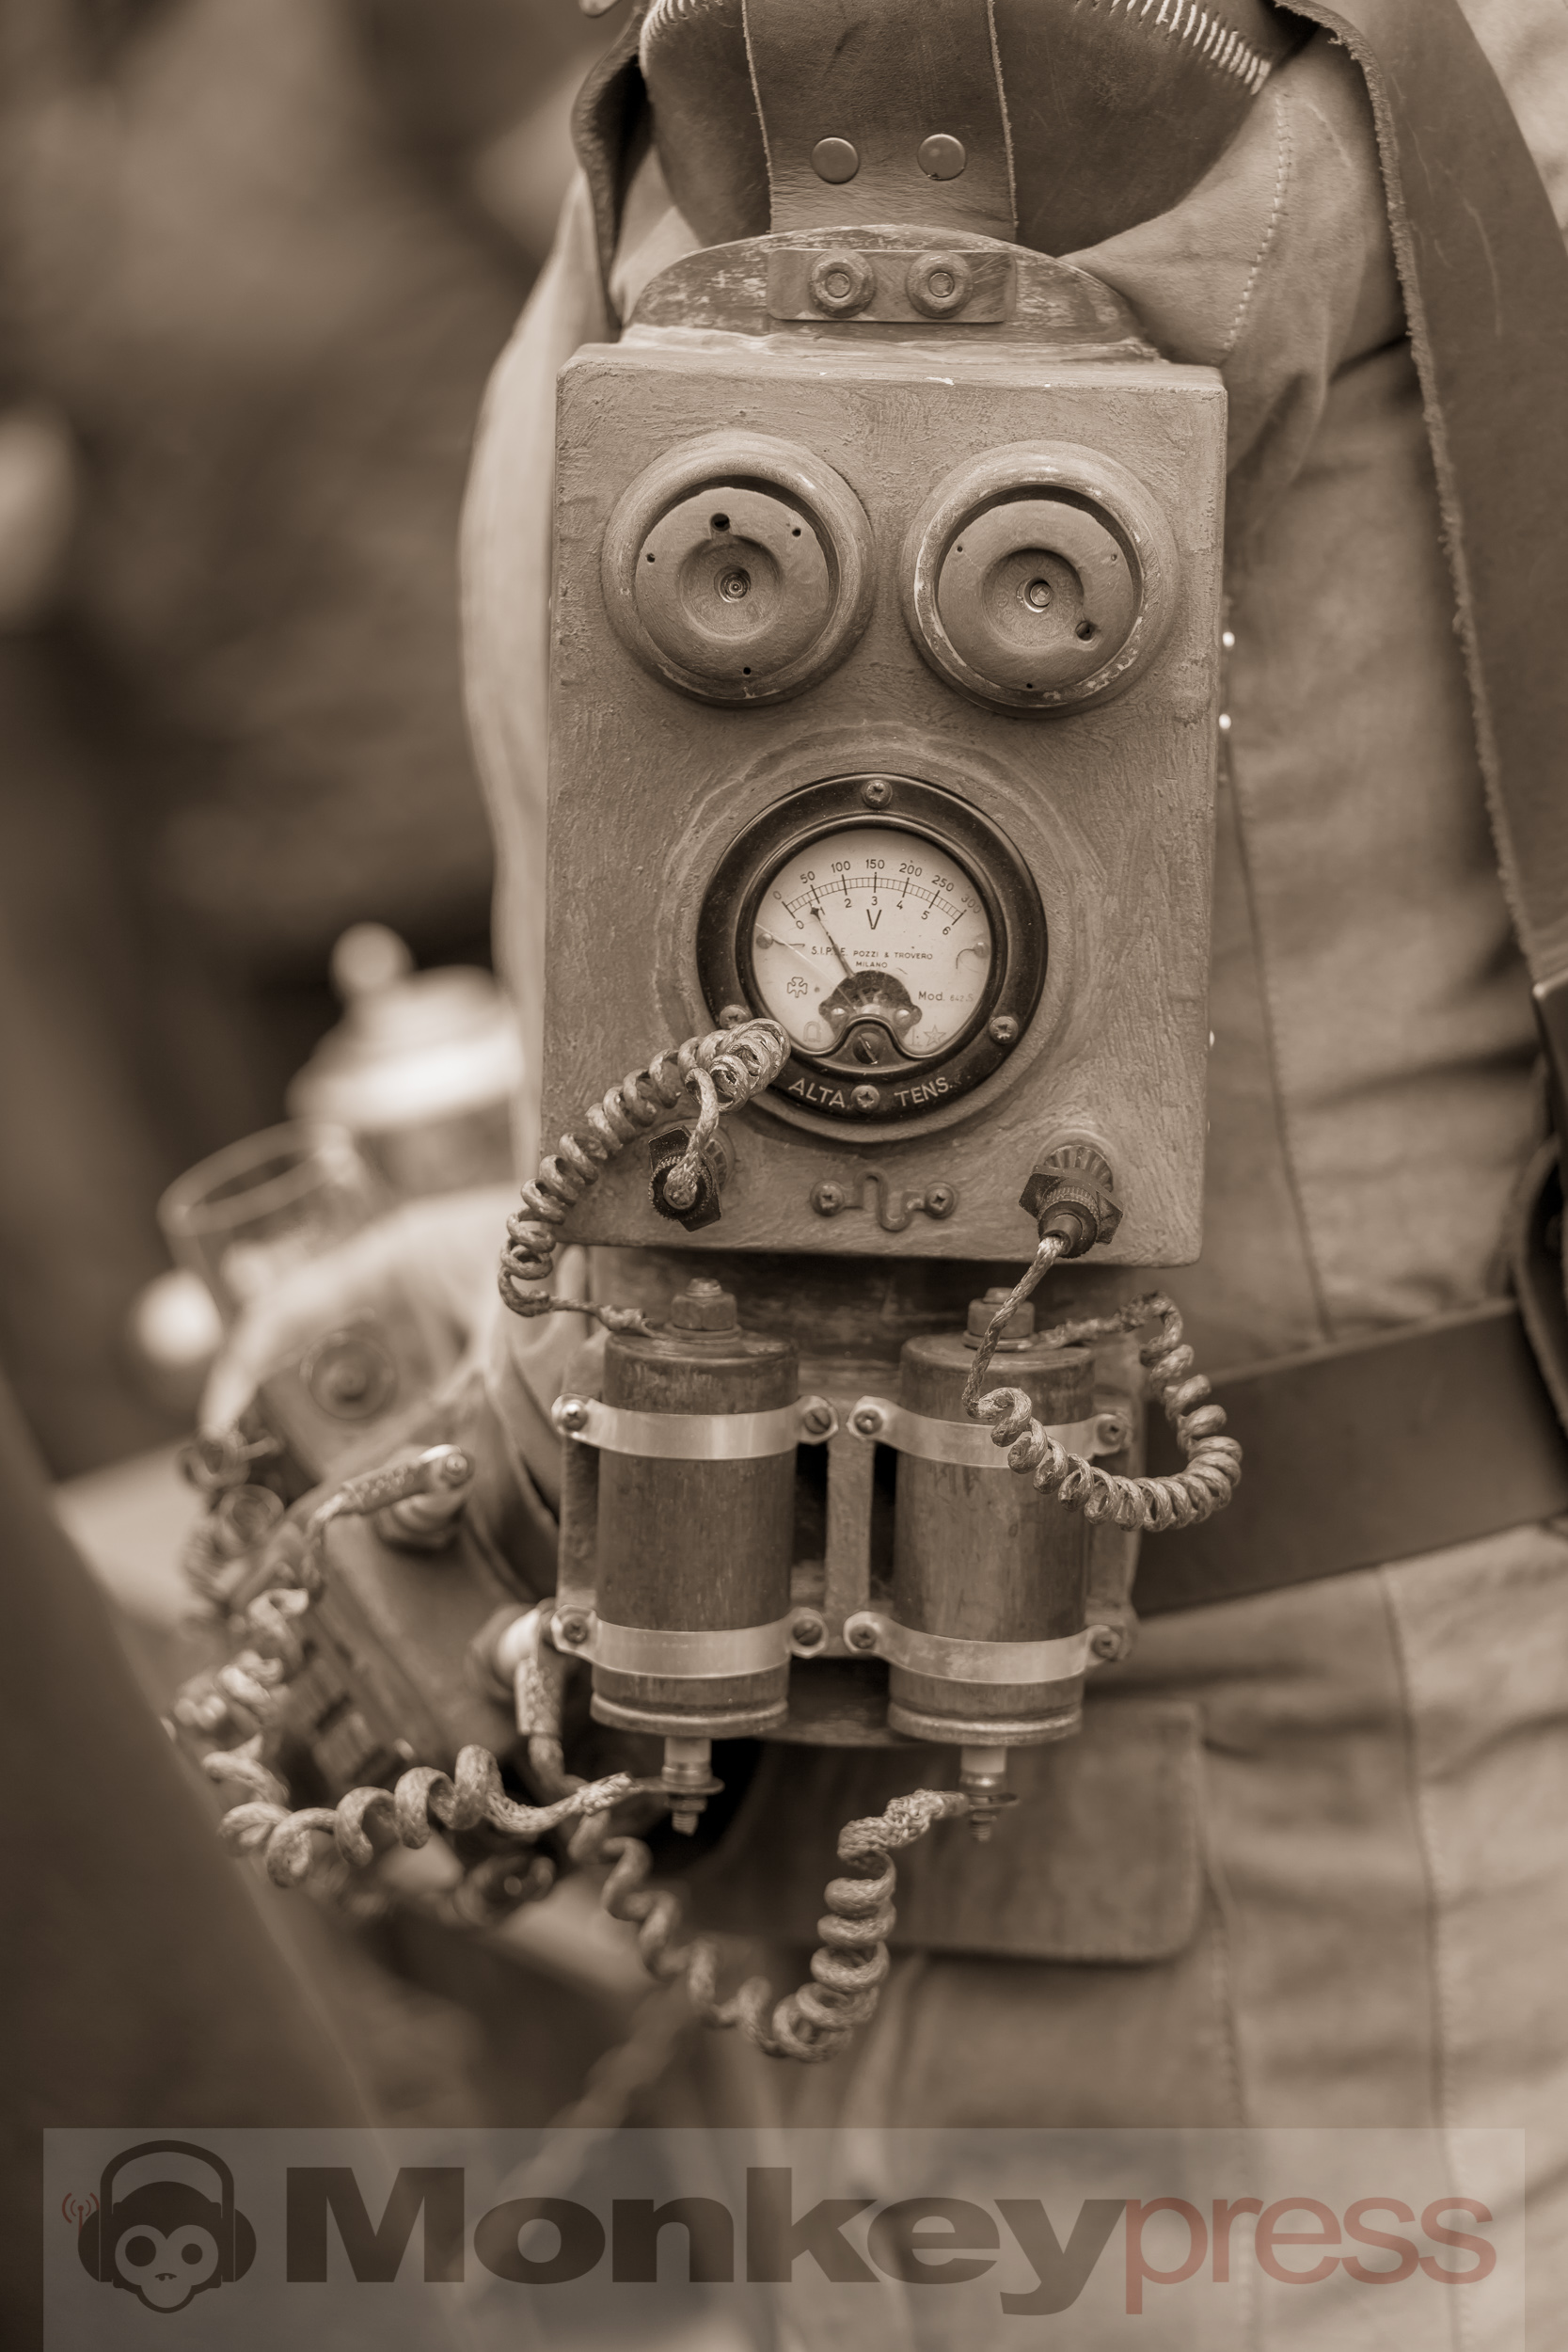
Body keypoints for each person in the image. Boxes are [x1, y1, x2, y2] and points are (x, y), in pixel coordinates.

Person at [205, 1, 1568, 2338]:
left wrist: (447, 1538)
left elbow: (891, 1107)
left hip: (1199, 1900)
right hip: (1365, 1772)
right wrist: (528, 1227)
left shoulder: (967, 59)